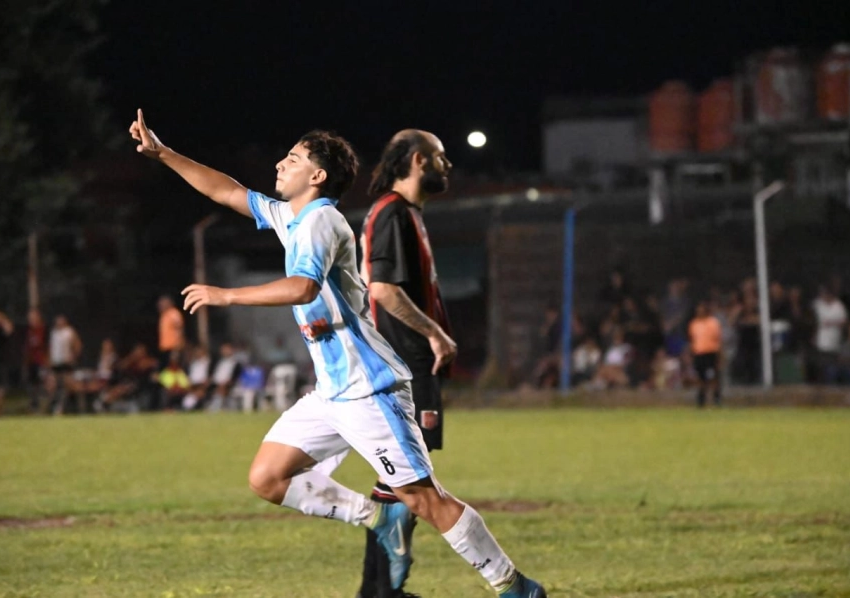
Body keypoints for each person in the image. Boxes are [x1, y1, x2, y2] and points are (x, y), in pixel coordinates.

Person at [130, 109, 545, 597]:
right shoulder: (294, 216)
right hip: (334, 392)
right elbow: (225, 191)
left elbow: (304, 288)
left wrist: (227, 295)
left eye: (293, 158)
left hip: (370, 389)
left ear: (318, 176)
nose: (281, 164)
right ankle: (376, 518)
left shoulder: (322, 222)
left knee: (425, 500)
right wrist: (164, 153)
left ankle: (514, 586)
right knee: (268, 476)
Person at [356, 129, 458, 597]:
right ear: (418, 160)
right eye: (440, 157)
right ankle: (381, 592)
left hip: (408, 363)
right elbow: (382, 289)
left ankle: (377, 591)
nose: (447, 165)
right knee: (405, 479)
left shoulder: (404, 213)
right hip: (403, 364)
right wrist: (435, 334)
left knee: (398, 477)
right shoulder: (393, 212)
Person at [688, 300, 722, 407]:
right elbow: (692, 340)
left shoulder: (713, 322)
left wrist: (720, 356)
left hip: (711, 353)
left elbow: (718, 340)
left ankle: (716, 399)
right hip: (699, 354)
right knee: (700, 378)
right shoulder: (694, 324)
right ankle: (701, 400)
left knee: (713, 377)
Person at [47, 315, 82, 414]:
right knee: (54, 385)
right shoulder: (54, 332)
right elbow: (51, 348)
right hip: (55, 363)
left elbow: (77, 345)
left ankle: (64, 406)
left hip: (66, 362)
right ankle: (54, 405)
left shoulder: (69, 332)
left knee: (67, 384)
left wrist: (74, 356)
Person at [23, 307, 48, 413]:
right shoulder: (29, 331)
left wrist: (47, 362)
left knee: (43, 385)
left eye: (33, 317)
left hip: (41, 362)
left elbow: (47, 346)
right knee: (32, 386)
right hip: (31, 363)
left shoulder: (44, 330)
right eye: (30, 317)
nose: (31, 319)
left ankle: (45, 408)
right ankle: (34, 407)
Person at [157, 295, 185, 370]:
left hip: (172, 348)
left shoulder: (174, 314)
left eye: (163, 303)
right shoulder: (164, 315)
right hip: (165, 348)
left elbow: (179, 330)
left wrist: (177, 349)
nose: (160, 305)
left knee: (172, 370)